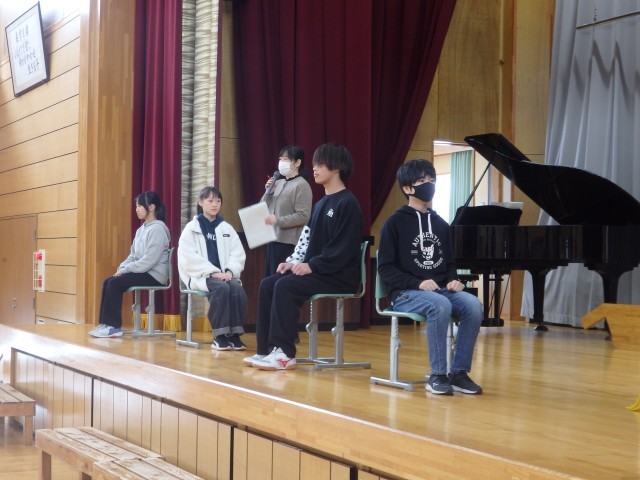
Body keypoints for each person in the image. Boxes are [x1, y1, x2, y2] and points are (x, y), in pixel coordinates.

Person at [246, 143, 363, 370]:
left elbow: (343, 249)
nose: (315, 168)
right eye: (314, 164)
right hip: (321, 271)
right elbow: (305, 241)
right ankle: (266, 350)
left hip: (338, 275)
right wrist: (292, 262)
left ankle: (285, 353)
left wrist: (313, 266)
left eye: (320, 164)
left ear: (336, 167)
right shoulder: (321, 204)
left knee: (285, 286)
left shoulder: (348, 203)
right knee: (268, 283)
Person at [377, 159, 483, 395]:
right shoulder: (394, 223)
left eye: (432, 180)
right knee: (439, 304)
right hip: (405, 293)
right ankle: (438, 375)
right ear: (407, 188)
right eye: (422, 180)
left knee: (473, 305)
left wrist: (454, 279)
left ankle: (459, 373)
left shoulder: (441, 225)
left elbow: (450, 263)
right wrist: (417, 283)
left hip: (441, 291)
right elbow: (385, 268)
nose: (429, 184)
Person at [90, 191, 171, 338]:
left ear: (151, 207)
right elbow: (133, 255)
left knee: (115, 284)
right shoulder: (141, 230)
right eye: (136, 206)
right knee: (108, 281)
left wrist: (126, 270)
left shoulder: (158, 229)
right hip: (144, 271)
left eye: (140, 206)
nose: (137, 209)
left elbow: (149, 260)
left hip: (154, 274)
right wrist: (122, 267)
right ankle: (105, 323)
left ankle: (114, 327)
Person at [178, 186, 248, 351]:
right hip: (201, 276)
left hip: (224, 275)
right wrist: (213, 272)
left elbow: (237, 254)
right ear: (200, 203)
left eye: (218, 201)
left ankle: (234, 335)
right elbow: (188, 257)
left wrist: (229, 271)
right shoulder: (191, 228)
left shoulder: (227, 228)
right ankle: (220, 336)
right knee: (222, 289)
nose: (215, 204)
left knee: (237, 289)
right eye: (210, 201)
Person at [261, 145, 312, 276]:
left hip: (288, 243)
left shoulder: (302, 185)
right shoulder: (278, 183)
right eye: (280, 159)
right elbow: (262, 207)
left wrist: (278, 221)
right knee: (269, 279)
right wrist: (268, 192)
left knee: (279, 279)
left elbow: (303, 216)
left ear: (297, 162)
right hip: (272, 239)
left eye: (285, 159)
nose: (281, 162)